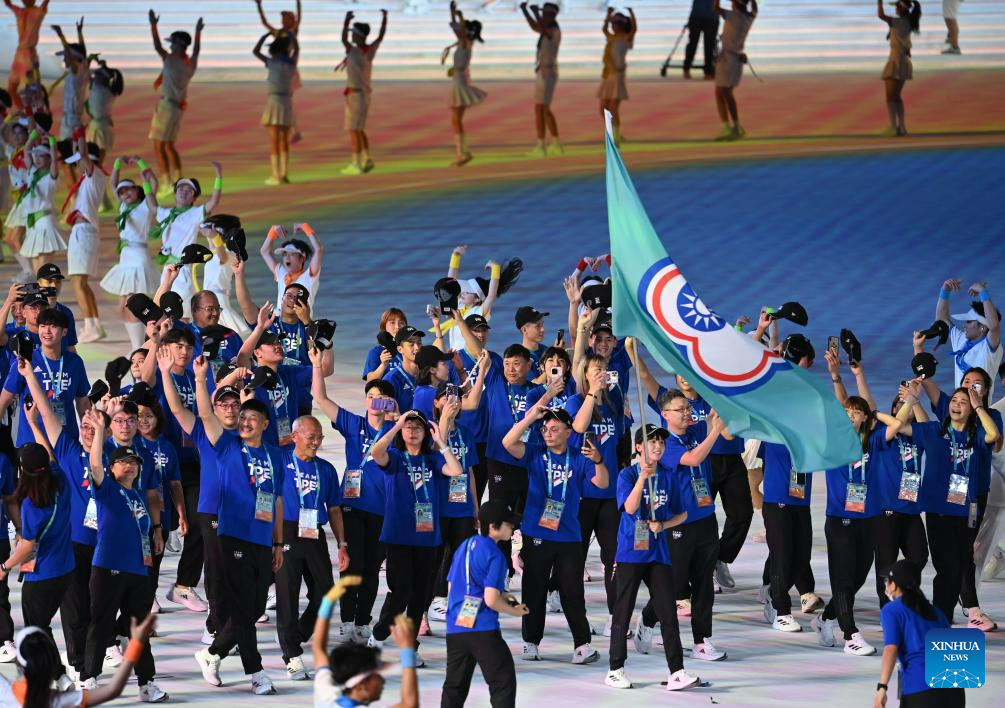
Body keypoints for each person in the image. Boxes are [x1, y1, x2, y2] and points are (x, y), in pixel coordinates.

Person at [191, 356, 284, 696]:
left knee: (255, 607)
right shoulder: (228, 446)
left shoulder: (274, 455)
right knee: (244, 605)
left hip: (262, 537)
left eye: (250, 418)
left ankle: (213, 653)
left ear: (264, 424)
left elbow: (276, 500)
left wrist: (278, 543)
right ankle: (256, 672)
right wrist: (201, 379)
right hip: (233, 535)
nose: (243, 421)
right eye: (242, 417)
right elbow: (205, 415)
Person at [503, 406, 607, 664]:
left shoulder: (580, 457)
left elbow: (602, 483)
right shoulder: (535, 453)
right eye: (545, 429)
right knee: (534, 589)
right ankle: (531, 642)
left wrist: (598, 461)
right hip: (536, 532)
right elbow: (508, 442)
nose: (548, 433)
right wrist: (531, 417)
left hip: (569, 535)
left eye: (554, 429)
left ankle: (582, 645)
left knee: (573, 591)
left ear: (568, 432)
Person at [636, 389, 727, 661]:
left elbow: (716, 416)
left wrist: (717, 411)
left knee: (703, 584)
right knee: (674, 584)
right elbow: (694, 459)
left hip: (706, 517)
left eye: (688, 408)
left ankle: (702, 641)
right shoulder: (665, 444)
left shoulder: (693, 433)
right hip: (679, 523)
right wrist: (714, 432)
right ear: (665, 414)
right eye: (681, 409)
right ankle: (648, 618)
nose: (687, 413)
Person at [366, 409, 464, 663]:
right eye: (408, 427)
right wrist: (396, 425)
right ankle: (379, 633)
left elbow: (456, 470)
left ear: (425, 432)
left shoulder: (432, 459)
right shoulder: (395, 458)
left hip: (427, 537)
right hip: (398, 535)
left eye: (417, 427)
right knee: (401, 591)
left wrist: (441, 442)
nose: (412, 431)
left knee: (420, 594)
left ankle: (410, 645)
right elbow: (376, 452)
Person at [899, 384, 1000, 626]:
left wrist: (979, 406)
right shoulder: (935, 430)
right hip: (939, 512)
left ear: (971, 410)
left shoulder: (976, 435)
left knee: (960, 566)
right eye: (954, 400)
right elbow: (899, 426)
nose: (957, 405)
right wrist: (911, 401)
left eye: (963, 403)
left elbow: (994, 435)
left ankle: (940, 618)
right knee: (947, 569)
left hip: (967, 512)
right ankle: (939, 619)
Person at [82, 411, 167, 701]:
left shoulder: (138, 497)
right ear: (112, 467)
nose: (130, 466)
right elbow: (95, 464)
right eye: (123, 462)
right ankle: (89, 679)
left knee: (138, 629)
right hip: (108, 568)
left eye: (134, 462)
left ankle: (146, 683)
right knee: (100, 623)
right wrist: (99, 430)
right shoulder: (107, 489)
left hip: (138, 571)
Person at [606, 425, 696, 691]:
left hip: (658, 552)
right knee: (623, 611)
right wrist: (642, 478)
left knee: (668, 612)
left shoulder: (668, 476)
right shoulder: (627, 474)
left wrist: (664, 525)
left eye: (661, 442)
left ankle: (677, 671)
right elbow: (630, 507)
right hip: (631, 552)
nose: (657, 446)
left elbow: (682, 514)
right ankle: (615, 669)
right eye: (651, 441)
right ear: (638, 447)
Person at [23, 359, 97, 680]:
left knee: (103, 606)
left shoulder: (112, 457)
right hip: (77, 544)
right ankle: (80, 667)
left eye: (94, 427)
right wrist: (29, 374)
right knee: (76, 609)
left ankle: (103, 646)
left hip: (108, 545)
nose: (87, 431)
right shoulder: (69, 450)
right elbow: (47, 412)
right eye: (84, 426)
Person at [313, 358, 395, 645]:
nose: (374, 401)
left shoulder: (396, 431)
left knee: (372, 568)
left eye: (380, 397)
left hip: (383, 511)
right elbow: (321, 398)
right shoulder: (353, 424)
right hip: (352, 506)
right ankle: (347, 620)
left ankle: (362, 621)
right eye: (370, 396)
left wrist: (397, 416)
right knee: (352, 564)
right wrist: (316, 365)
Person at [275, 415, 349, 681]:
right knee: (288, 594)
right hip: (286, 530)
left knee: (326, 592)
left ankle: (296, 635)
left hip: (314, 532)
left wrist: (342, 544)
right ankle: (292, 655)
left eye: (319, 437)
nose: (316, 442)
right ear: (294, 437)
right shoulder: (281, 460)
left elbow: (335, 509)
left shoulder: (326, 469)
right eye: (311, 437)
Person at [441, 500, 528, 707]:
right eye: (508, 523)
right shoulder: (495, 555)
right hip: (482, 628)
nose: (512, 527)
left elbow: (453, 586)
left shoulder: (464, 546)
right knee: (503, 681)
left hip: (456, 626)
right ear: (493, 526)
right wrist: (515, 612)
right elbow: (490, 599)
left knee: (454, 686)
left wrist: (504, 596)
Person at [566, 353, 624, 634]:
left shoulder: (613, 403)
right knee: (575, 559)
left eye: (604, 368)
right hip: (582, 492)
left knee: (614, 556)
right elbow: (578, 427)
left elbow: (619, 440)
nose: (601, 372)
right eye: (595, 369)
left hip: (610, 493)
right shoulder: (575, 401)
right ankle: (579, 621)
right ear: (585, 374)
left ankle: (616, 617)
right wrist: (592, 393)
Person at [0, 613, 157, 708]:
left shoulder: (4, 691)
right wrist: (136, 643)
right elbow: (113, 690)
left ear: (19, 663)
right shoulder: (62, 700)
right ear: (53, 665)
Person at [1, 441, 72, 639]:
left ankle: (46, 660)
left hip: (41, 574)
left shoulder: (31, 505)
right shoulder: (60, 479)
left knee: (35, 632)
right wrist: (35, 426)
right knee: (42, 628)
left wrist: (4, 568)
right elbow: (51, 457)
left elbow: (27, 546)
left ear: (22, 470)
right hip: (65, 570)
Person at [312, 581, 420, 708]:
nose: (382, 680)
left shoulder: (327, 694)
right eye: (376, 674)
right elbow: (409, 704)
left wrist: (327, 603)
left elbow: (319, 648)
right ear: (361, 685)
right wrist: (407, 649)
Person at [875, 560, 964, 708]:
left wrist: (882, 688)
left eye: (887, 580)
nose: (885, 585)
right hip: (955, 691)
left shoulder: (892, 610)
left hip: (920, 689)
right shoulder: (937, 612)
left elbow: (891, 649)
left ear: (894, 585)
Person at [0, 306, 90, 447]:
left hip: (66, 442)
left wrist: (89, 436)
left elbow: (82, 402)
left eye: (53, 326)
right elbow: (4, 399)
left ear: (64, 332)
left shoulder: (75, 362)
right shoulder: (25, 361)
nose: (47, 331)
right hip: (32, 442)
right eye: (42, 326)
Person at [100, 157, 159, 349]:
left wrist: (141, 163)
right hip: (125, 258)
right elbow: (112, 184)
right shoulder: (123, 206)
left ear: (137, 190)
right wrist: (117, 163)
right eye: (121, 192)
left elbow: (153, 183)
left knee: (134, 304)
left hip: (138, 256)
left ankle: (140, 349)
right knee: (123, 306)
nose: (124, 193)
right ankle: (137, 346)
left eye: (128, 189)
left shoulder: (145, 206)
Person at [150, 164, 223, 314]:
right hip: (167, 269)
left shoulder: (195, 213)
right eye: (181, 188)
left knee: (181, 314)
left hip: (182, 270)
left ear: (194, 197)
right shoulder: (167, 213)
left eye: (189, 190)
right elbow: (151, 205)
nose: (184, 191)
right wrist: (146, 181)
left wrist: (218, 176)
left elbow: (213, 202)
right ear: (175, 192)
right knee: (163, 312)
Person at [147, 10, 203, 190]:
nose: (170, 46)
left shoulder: (171, 59)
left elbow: (157, 46)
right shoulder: (190, 64)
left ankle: (166, 184)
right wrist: (198, 32)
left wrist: (153, 25)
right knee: (169, 146)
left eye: (172, 43)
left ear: (178, 45)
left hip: (166, 107)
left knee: (158, 146)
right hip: (177, 109)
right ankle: (179, 181)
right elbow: (196, 50)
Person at [61, 135, 107, 342]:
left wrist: (79, 136)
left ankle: (91, 326)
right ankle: (95, 325)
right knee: (82, 282)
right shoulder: (90, 178)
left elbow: (84, 156)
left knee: (78, 282)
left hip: (84, 231)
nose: (78, 165)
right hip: (83, 231)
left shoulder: (93, 174)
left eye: (79, 161)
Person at [339, 9, 387, 176]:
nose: (352, 36)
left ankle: (356, 163)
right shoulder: (367, 50)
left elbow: (343, 39)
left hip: (357, 95)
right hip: (360, 95)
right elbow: (380, 37)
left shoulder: (359, 51)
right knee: (359, 129)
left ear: (359, 35)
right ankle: (366, 159)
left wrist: (346, 22)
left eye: (354, 33)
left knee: (353, 130)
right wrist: (384, 19)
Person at [936, 279, 1002, 396]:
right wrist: (945, 290)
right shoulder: (962, 339)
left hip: (979, 406)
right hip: (959, 404)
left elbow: (994, 326)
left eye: (969, 321)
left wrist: (982, 292)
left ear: (983, 327)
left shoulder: (990, 347)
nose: (964, 325)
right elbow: (941, 321)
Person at [254, 31, 299, 185]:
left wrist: (264, 36)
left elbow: (255, 51)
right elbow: (297, 49)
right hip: (287, 101)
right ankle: (284, 174)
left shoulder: (272, 63)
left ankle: (275, 175)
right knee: (283, 139)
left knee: (274, 140)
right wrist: (291, 36)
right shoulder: (291, 63)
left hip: (274, 100)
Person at [445, 1, 486, 167]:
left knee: (456, 119)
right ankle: (462, 152)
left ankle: (462, 153)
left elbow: (457, 29)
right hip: (460, 78)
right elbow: (456, 28)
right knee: (456, 119)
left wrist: (458, 16)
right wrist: (453, 13)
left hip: (460, 81)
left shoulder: (465, 42)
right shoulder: (466, 43)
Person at [519, 2, 562, 157]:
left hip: (547, 73)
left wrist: (535, 13)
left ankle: (541, 146)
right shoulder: (548, 29)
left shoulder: (553, 30)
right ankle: (555, 143)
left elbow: (543, 29)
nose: (542, 16)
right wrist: (525, 11)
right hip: (544, 71)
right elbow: (535, 27)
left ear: (552, 15)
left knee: (540, 109)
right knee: (544, 109)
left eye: (545, 14)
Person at [19, 137, 65, 271]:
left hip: (45, 221)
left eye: (41, 156)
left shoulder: (51, 177)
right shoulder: (32, 172)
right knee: (36, 269)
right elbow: (26, 150)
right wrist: (34, 134)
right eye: (36, 155)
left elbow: (55, 161)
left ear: (49, 158)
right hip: (32, 223)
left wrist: (52, 142)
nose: (37, 158)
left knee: (44, 266)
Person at [712, 0, 757, 141]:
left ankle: (732, 127)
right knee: (724, 92)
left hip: (728, 59)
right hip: (736, 59)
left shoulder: (732, 15)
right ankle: (732, 127)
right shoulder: (748, 17)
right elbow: (754, 10)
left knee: (723, 92)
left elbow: (715, 8)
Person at [878, 0, 921, 137]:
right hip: (903, 61)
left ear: (902, 8)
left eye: (897, 6)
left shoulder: (898, 22)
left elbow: (881, 15)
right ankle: (901, 126)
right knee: (896, 97)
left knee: (891, 97)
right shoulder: (908, 22)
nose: (895, 9)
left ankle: (893, 126)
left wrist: (879, 2)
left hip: (896, 60)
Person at [597, 7, 636, 147]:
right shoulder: (611, 38)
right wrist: (608, 16)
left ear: (621, 25)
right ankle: (613, 133)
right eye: (612, 23)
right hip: (608, 76)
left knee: (613, 108)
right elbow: (604, 29)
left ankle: (616, 137)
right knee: (603, 108)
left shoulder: (626, 39)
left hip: (618, 76)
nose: (613, 26)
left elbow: (634, 30)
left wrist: (631, 13)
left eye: (615, 23)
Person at [260, 223, 323, 307]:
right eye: (285, 254)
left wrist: (305, 226)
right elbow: (264, 252)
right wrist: (273, 230)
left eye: (292, 254)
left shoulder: (309, 277)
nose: (287, 257)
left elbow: (318, 249)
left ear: (302, 258)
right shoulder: (281, 274)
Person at [3, 0, 49, 105]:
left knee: (31, 91)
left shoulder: (39, 11)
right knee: (11, 89)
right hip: (19, 54)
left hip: (29, 55)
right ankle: (23, 111)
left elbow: (45, 3)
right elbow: (8, 4)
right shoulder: (19, 11)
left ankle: (33, 112)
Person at [52, 20, 89, 143]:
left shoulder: (75, 69)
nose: (64, 59)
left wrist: (60, 34)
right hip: (75, 114)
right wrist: (79, 32)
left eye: (65, 56)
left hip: (71, 116)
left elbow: (71, 53)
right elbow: (83, 51)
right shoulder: (83, 66)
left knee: (67, 146)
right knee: (74, 145)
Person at [363, 308, 407, 382]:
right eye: (392, 323)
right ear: (384, 326)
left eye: (401, 323)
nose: (397, 327)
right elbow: (370, 381)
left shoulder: (412, 349)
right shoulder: (376, 352)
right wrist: (383, 365)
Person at [683, 0, 718, 80]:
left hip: (712, 16)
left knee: (709, 46)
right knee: (693, 43)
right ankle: (686, 68)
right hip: (697, 15)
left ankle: (708, 72)